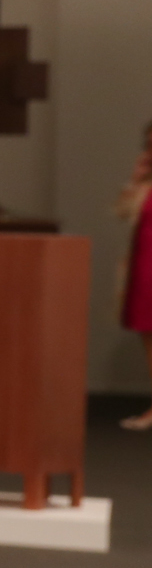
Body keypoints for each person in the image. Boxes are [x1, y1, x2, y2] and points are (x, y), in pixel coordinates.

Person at [121, 121, 152, 430]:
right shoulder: (145, 184)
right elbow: (122, 213)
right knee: (149, 334)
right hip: (145, 266)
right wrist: (135, 180)